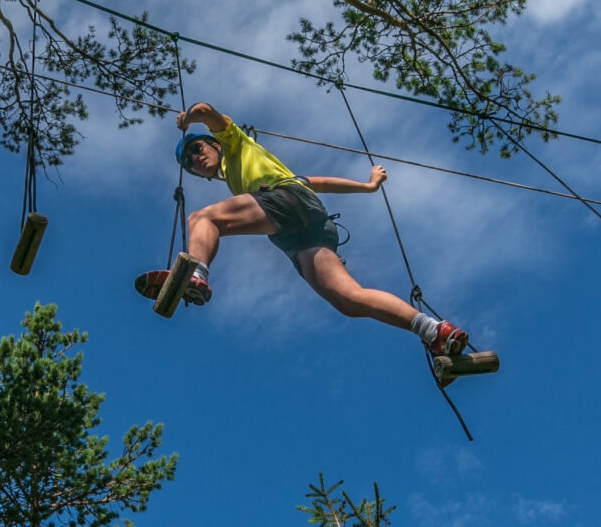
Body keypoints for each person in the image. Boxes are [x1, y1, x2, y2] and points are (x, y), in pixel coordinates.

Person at [148, 102, 468, 357]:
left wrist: (189, 119)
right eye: (189, 163)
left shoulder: (234, 144)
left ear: (214, 144)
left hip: (287, 203)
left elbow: (204, 109)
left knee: (202, 219)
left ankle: (197, 276)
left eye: (198, 149)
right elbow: (316, 183)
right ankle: (433, 330)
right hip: (305, 225)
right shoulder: (249, 174)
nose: (195, 158)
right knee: (348, 299)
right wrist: (368, 187)